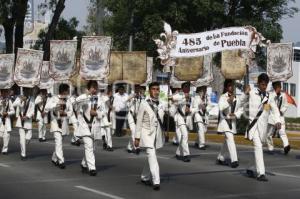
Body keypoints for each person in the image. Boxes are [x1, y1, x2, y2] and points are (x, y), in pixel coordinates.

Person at [242, 73, 281, 181]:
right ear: (258, 83)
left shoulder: (269, 96)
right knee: (258, 146)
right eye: (262, 84)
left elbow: (275, 109)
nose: (264, 87)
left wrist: (277, 120)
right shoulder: (251, 92)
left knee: (258, 148)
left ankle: (250, 167)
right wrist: (244, 94)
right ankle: (261, 173)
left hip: (263, 127)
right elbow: (241, 102)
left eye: (266, 85)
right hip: (253, 125)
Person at [134, 82, 166, 191]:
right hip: (146, 133)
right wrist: (137, 137)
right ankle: (156, 181)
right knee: (152, 155)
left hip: (156, 134)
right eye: (154, 89)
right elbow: (138, 121)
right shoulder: (144, 103)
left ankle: (144, 176)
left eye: (158, 89)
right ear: (149, 91)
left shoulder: (162, 103)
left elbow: (163, 118)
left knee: (151, 156)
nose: (156, 91)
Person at [75, 80, 100, 176]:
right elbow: (75, 102)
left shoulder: (98, 99)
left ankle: (84, 163)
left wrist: (97, 113)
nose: (95, 89)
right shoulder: (83, 98)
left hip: (95, 127)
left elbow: (103, 112)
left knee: (92, 148)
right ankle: (92, 168)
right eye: (93, 87)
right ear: (89, 88)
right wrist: (87, 95)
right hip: (85, 126)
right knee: (89, 147)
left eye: (96, 87)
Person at [216, 80, 243, 168]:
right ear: (226, 87)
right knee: (230, 139)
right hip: (224, 122)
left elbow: (240, 109)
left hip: (232, 122)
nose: (231, 87)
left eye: (232, 86)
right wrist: (228, 101)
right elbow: (220, 107)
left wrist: (235, 114)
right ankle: (234, 160)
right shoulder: (223, 97)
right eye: (229, 86)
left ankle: (220, 157)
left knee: (226, 141)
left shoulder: (236, 98)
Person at [45, 84, 70, 169]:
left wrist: (66, 113)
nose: (68, 92)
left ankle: (54, 157)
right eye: (67, 90)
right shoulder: (54, 98)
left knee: (60, 143)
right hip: (55, 123)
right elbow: (47, 107)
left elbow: (71, 111)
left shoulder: (68, 99)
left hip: (64, 124)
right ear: (63, 91)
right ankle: (61, 161)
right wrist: (56, 104)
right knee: (58, 142)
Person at [171, 82, 194, 162]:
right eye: (186, 87)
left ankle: (178, 153)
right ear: (183, 88)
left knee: (182, 137)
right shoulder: (180, 95)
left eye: (188, 87)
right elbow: (172, 98)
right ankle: (186, 154)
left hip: (187, 119)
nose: (187, 88)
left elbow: (194, 108)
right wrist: (184, 96)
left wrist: (191, 110)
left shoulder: (191, 97)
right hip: (179, 118)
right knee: (185, 135)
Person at [266, 81, 290, 154]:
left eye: (280, 87)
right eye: (277, 87)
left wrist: (282, 111)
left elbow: (286, 105)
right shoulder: (270, 95)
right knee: (268, 134)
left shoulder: (284, 96)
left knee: (282, 132)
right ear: (274, 88)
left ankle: (286, 146)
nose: (279, 88)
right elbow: (266, 106)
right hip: (271, 117)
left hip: (280, 117)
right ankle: (270, 147)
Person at [13, 87, 35, 160]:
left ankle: (23, 145)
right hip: (20, 121)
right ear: (24, 90)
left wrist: (28, 116)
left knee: (28, 137)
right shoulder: (19, 97)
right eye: (26, 90)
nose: (27, 91)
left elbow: (32, 110)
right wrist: (21, 101)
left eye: (28, 90)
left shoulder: (32, 98)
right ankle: (23, 154)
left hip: (28, 120)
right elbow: (13, 104)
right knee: (22, 139)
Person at [192, 85, 212, 150]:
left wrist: (206, 108)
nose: (205, 90)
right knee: (200, 129)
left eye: (205, 89)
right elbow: (194, 107)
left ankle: (197, 142)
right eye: (203, 89)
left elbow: (210, 105)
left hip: (205, 115)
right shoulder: (196, 96)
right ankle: (201, 144)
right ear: (200, 89)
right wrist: (199, 106)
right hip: (198, 115)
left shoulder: (207, 97)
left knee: (204, 130)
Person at [127, 85, 145, 154]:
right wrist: (132, 97)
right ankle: (137, 147)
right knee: (134, 131)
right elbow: (127, 102)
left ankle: (129, 146)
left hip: (138, 117)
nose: (138, 89)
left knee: (135, 132)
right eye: (136, 88)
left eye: (139, 88)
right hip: (131, 115)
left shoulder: (141, 96)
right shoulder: (131, 95)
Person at [98, 84, 113, 152]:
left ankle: (104, 141)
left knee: (103, 130)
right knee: (108, 131)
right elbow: (110, 107)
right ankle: (109, 145)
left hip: (99, 115)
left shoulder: (98, 96)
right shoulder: (106, 97)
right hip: (106, 116)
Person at [0, 89, 15, 154]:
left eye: (6, 92)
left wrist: (7, 113)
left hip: (7, 120)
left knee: (7, 135)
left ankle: (5, 149)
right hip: (0, 119)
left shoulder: (9, 101)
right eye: (3, 92)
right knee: (0, 135)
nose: (4, 94)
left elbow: (13, 111)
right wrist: (1, 103)